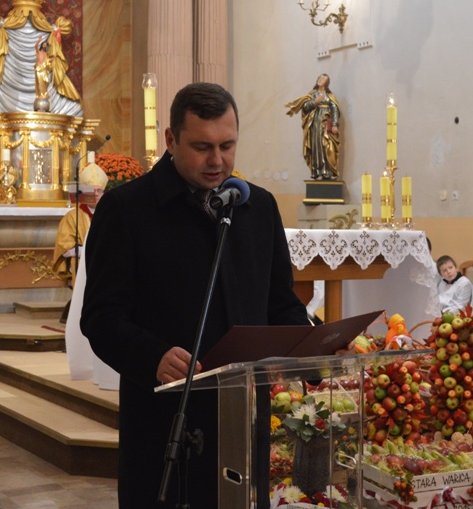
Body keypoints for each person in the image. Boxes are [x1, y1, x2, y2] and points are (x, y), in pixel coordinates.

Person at [80, 82, 308, 508]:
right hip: (166, 419)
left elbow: (281, 304)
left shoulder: (258, 208)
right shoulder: (127, 209)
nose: (217, 160)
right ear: (171, 140)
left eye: (227, 146)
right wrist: (152, 356)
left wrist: (317, 345)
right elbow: (101, 317)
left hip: (244, 414)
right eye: (202, 147)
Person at [52, 162, 108, 282]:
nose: (96, 194)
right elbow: (64, 248)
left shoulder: (111, 215)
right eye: (92, 190)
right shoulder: (73, 216)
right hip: (82, 264)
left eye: (99, 190)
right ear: (85, 193)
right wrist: (91, 251)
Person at [285, 73, 341, 180]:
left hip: (327, 123)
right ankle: (318, 172)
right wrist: (315, 102)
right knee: (317, 146)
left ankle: (330, 171)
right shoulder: (312, 95)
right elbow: (305, 107)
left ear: (327, 83)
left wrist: (335, 124)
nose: (320, 80)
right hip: (315, 123)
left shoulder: (330, 96)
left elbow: (334, 110)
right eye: (319, 78)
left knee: (328, 146)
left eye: (323, 79)